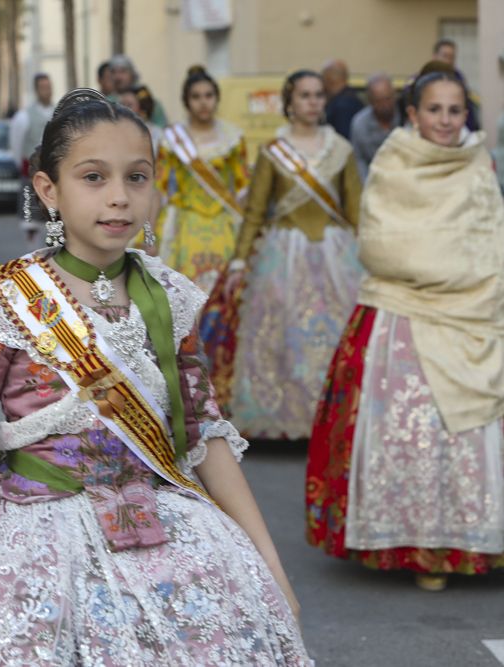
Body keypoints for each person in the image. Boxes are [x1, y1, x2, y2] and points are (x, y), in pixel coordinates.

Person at [0, 88, 308, 667]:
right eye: (93, 178)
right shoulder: (7, 302)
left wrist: (270, 572)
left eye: (137, 178)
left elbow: (206, 439)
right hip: (43, 540)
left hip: (169, 524)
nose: (119, 198)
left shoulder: (170, 298)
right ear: (49, 190)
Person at [307, 71, 504, 591]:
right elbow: (383, 247)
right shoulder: (394, 163)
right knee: (415, 431)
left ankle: (471, 538)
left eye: (455, 111)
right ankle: (420, 546)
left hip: (476, 312)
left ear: (467, 115)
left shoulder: (478, 165)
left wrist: (465, 277)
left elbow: (491, 240)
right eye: (434, 110)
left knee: (470, 434)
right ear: (413, 114)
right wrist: (444, 269)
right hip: (402, 313)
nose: (444, 121)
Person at [202, 70, 362, 440]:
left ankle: (333, 418)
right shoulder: (274, 152)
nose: (313, 102)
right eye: (305, 95)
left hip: (336, 255)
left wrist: (369, 256)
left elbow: (356, 210)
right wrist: (240, 261)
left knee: (336, 335)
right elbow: (256, 211)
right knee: (283, 337)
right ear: (289, 103)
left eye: (318, 95)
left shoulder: (340, 149)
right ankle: (290, 416)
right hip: (283, 254)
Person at [151, 66, 248, 294]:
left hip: (224, 225)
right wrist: (150, 233)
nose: (203, 102)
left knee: (227, 296)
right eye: (196, 97)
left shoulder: (233, 138)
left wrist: (247, 235)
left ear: (217, 99)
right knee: (185, 295)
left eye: (208, 96)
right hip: (185, 226)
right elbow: (157, 189)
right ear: (186, 101)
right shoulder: (171, 140)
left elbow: (244, 188)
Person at [9, 73, 54, 247]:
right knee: (31, 221)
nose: (47, 91)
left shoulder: (59, 112)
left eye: (49, 87)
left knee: (53, 219)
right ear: (36, 90)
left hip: (53, 174)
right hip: (31, 173)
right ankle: (32, 256)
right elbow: (16, 145)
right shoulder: (24, 116)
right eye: (43, 87)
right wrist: (24, 166)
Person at [349, 73, 400, 179]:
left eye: (388, 98)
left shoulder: (407, 118)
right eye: (379, 101)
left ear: (394, 95)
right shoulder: (360, 123)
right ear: (370, 101)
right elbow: (359, 160)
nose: (385, 105)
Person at [430, 38, 480, 131]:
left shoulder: (459, 78)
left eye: (452, 57)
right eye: (445, 56)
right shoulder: (423, 77)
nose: (449, 61)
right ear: (434, 56)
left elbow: (467, 108)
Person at [107, 54, 168, 128]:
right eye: (113, 72)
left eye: (122, 71)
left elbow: (161, 129)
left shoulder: (148, 101)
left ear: (132, 74)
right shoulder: (106, 102)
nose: (118, 77)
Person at [321, 59, 364, 140]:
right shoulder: (353, 98)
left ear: (330, 79)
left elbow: (343, 138)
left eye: (323, 78)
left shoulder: (343, 105)